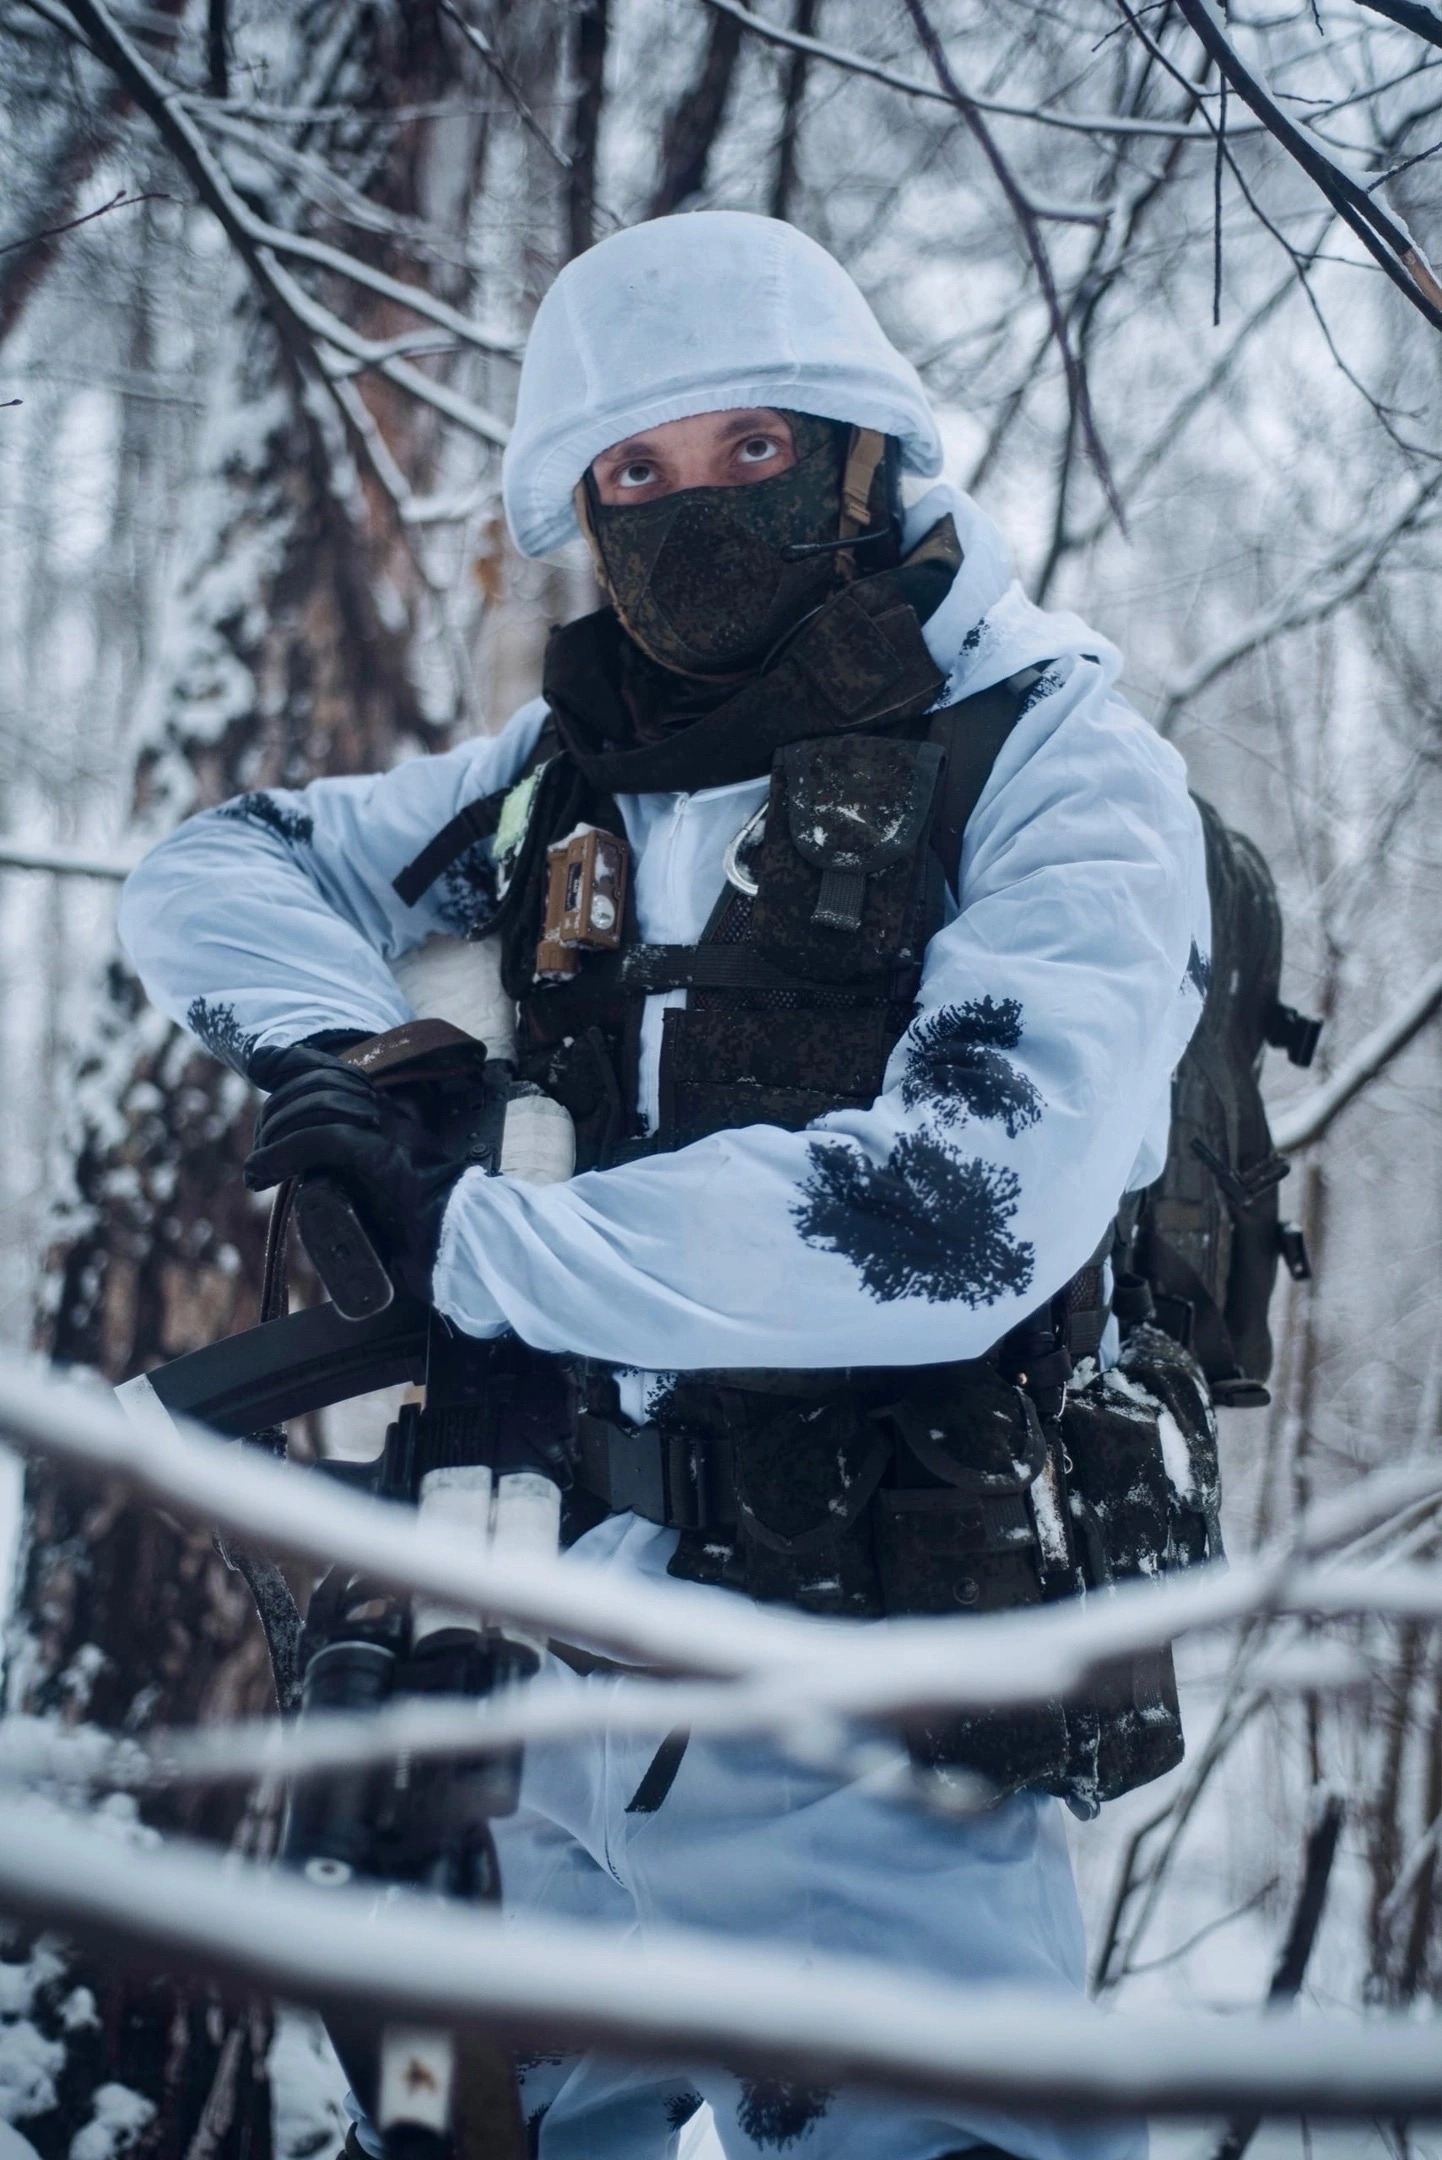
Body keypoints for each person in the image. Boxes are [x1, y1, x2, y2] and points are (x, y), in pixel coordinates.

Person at [119, 211, 1209, 2160]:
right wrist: (357, 1073)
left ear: (862, 452)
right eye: (632, 470)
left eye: (750, 451)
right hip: (531, 1687)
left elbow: (959, 1210)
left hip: (861, 1728)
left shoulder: (1049, 764)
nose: (687, 507)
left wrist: (492, 1239)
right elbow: (220, 869)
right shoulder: (565, 781)